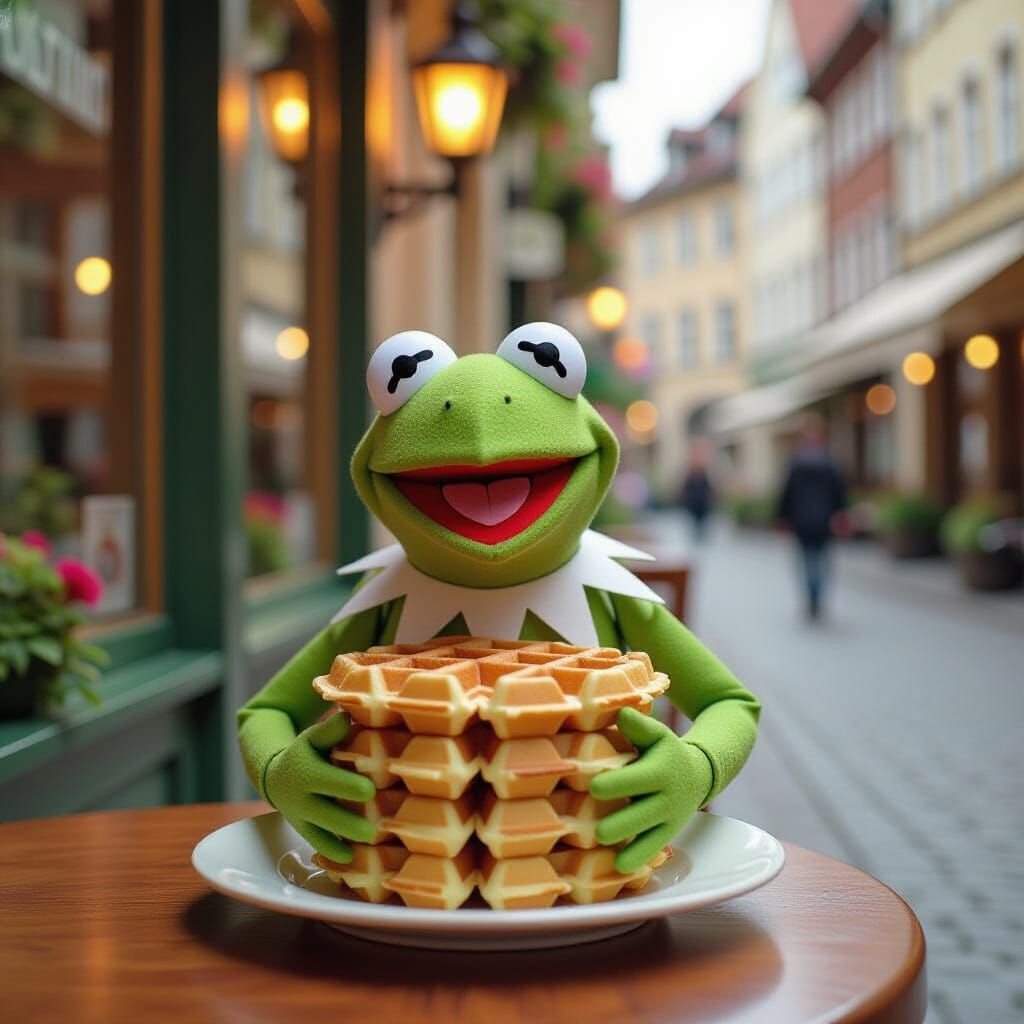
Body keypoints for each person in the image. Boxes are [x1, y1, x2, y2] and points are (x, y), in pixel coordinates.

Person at [777, 414, 847, 620]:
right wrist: (839, 515)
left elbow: (786, 493)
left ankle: (811, 596)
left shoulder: (796, 463)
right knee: (822, 560)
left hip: (801, 521)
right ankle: (818, 595)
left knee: (807, 560)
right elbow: (839, 494)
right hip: (824, 520)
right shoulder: (830, 463)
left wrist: (783, 517)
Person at [679, 440, 714, 543]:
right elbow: (685, 487)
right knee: (695, 523)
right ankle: (697, 536)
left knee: (702, 523)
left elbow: (709, 486)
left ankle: (700, 536)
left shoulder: (705, 471)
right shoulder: (690, 471)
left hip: (703, 503)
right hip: (693, 503)